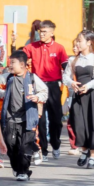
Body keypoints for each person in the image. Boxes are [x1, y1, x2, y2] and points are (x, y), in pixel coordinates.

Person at [22, 20, 67, 162]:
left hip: (54, 86)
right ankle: (43, 149)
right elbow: (19, 58)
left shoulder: (59, 48)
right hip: (38, 86)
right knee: (40, 119)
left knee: (56, 119)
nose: (41, 34)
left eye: (44, 32)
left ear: (52, 33)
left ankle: (56, 144)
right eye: (40, 31)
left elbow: (66, 66)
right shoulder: (31, 47)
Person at [2, 50, 48, 181]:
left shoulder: (32, 78)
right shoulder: (9, 78)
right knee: (11, 145)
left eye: (13, 63)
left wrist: (37, 97)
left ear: (22, 65)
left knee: (24, 146)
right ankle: (17, 168)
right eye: (10, 63)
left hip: (27, 119)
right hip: (11, 118)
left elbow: (44, 91)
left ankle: (24, 171)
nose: (10, 65)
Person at [68, 32, 94, 169]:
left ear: (89, 42)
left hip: (93, 95)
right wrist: (71, 83)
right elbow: (65, 77)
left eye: (80, 41)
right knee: (79, 125)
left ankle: (92, 156)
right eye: (77, 41)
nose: (77, 44)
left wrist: (88, 86)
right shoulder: (73, 59)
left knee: (92, 125)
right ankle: (84, 150)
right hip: (78, 96)